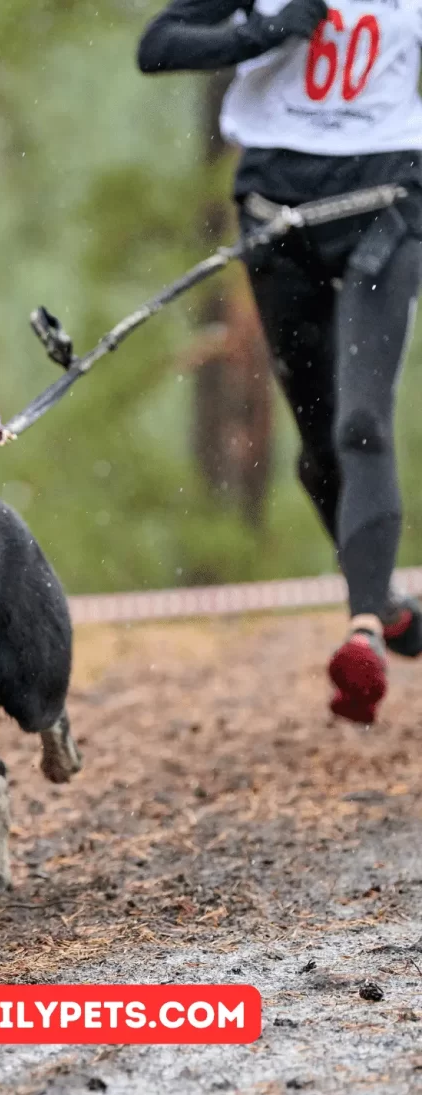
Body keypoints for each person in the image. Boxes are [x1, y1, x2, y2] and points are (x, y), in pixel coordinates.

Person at [137, 0, 422, 723]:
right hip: (274, 210)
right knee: (321, 443)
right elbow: (158, 45)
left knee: (363, 420)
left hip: (388, 199)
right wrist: (265, 32)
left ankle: (363, 634)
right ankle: (385, 602)